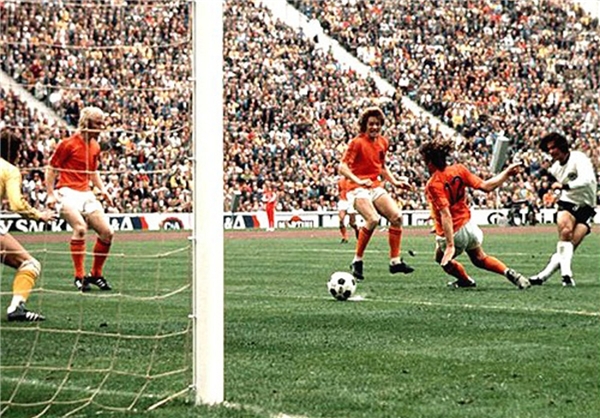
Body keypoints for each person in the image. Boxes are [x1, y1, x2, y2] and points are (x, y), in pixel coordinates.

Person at [419, 138, 531, 289]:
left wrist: (450, 245)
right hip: (469, 226)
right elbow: (486, 186)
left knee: (440, 259)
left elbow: (446, 214)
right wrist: (506, 173)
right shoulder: (459, 169)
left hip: (455, 232)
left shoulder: (433, 184)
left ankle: (465, 281)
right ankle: (509, 273)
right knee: (479, 258)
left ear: (429, 162)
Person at [339, 106, 414, 281]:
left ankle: (395, 262)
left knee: (397, 217)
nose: (374, 127)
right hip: (356, 188)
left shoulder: (383, 142)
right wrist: (358, 180)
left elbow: (382, 167)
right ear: (365, 125)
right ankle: (357, 261)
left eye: (378, 124)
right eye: (371, 124)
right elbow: (342, 167)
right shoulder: (357, 142)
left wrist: (395, 182)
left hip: (374, 186)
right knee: (373, 219)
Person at [45, 106, 115, 292]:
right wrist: (50, 194)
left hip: (86, 193)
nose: (102, 127)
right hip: (66, 191)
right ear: (86, 123)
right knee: (80, 228)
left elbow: (93, 171)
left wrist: (103, 190)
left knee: (107, 232)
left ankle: (96, 274)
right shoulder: (68, 144)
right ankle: (79, 276)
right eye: (98, 123)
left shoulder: (95, 146)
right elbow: (51, 168)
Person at [1, 131, 56, 321]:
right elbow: (16, 204)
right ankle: (16, 308)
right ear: (15, 151)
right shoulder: (9, 170)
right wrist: (39, 215)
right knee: (30, 264)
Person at [529, 132, 597, 287]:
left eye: (553, 147)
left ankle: (542, 276)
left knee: (569, 246)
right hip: (567, 202)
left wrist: (565, 186)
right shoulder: (554, 169)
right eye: (549, 149)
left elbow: (588, 180)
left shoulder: (578, 158)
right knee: (565, 231)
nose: (551, 151)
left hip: (587, 207)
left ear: (562, 146)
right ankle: (566, 275)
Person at [337, 176, 358, 243]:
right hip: (343, 201)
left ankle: (357, 230)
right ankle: (345, 237)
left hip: (350, 201)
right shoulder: (340, 180)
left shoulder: (353, 180)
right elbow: (339, 190)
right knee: (341, 220)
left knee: (352, 223)